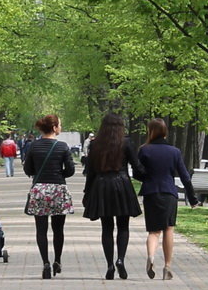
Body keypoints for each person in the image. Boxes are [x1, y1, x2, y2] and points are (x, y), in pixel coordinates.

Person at [82, 113, 145, 280]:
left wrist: (87, 193)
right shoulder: (126, 142)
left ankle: (109, 264)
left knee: (106, 227)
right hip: (122, 184)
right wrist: (150, 176)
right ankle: (120, 259)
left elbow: (91, 172)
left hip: (101, 186)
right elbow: (137, 167)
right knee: (123, 226)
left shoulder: (95, 145)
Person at [138, 118, 198, 280]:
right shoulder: (174, 152)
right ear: (165, 132)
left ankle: (151, 257)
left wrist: (148, 177)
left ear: (150, 131)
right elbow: (185, 177)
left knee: (153, 231)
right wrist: (192, 198)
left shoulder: (144, 150)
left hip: (151, 193)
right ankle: (167, 266)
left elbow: (138, 172)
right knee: (168, 229)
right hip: (169, 193)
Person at [23, 114, 75, 279]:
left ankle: (45, 262)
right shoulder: (62, 147)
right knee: (58, 228)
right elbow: (71, 169)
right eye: (60, 124)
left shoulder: (33, 146)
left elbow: (28, 169)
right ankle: (57, 260)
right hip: (58, 188)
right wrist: (60, 175)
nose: (61, 127)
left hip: (40, 189)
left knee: (41, 229)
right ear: (54, 128)